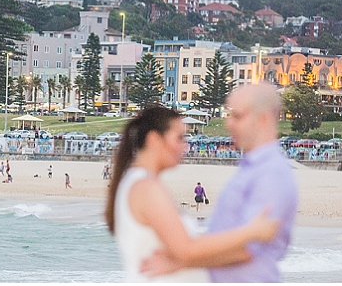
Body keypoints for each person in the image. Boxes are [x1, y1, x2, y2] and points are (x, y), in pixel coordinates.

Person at [143, 84, 299, 282]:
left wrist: (181, 262)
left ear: (264, 119)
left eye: (237, 116)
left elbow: (247, 247)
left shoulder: (271, 174)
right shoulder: (252, 168)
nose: (229, 124)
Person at [104, 106, 279, 282]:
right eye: (179, 138)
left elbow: (189, 253)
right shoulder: (145, 187)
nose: (185, 147)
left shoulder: (141, 183)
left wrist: (243, 249)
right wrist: (251, 231)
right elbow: (187, 249)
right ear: (154, 140)